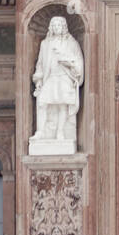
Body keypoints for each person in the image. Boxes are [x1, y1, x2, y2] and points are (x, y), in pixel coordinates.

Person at [32, 16, 84, 147]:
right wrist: (38, 79)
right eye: (54, 25)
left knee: (62, 105)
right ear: (51, 27)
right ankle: (40, 131)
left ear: (64, 27)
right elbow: (40, 63)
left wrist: (66, 61)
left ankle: (60, 132)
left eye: (59, 25)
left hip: (64, 77)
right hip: (50, 77)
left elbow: (78, 61)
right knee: (42, 103)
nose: (56, 28)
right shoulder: (45, 43)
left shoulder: (71, 43)